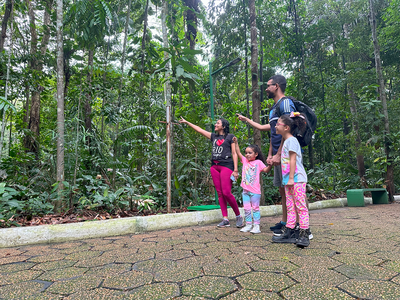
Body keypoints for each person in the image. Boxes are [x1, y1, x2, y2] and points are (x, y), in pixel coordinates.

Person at [237, 75, 295, 235]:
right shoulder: (273, 109)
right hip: (277, 155)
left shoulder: (285, 103)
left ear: (276, 86)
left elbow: (289, 128)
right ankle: (285, 222)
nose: (266, 89)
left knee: (293, 189)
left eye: (268, 86)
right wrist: (270, 154)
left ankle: (299, 226)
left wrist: (279, 153)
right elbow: (272, 132)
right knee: (283, 190)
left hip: (286, 155)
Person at [179, 117, 244, 228]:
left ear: (223, 126)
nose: (215, 124)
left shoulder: (230, 137)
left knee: (226, 192)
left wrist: (236, 169)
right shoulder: (213, 136)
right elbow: (199, 130)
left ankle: (238, 216)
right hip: (214, 167)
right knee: (219, 193)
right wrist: (187, 122)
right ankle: (225, 219)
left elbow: (234, 153)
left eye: (218, 123)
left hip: (226, 166)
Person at [271, 112, 310, 247]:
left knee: (300, 206)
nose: (275, 126)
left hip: (297, 180)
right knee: (290, 206)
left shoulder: (292, 141)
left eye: (278, 124)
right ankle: (290, 231)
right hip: (289, 180)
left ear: (286, 127)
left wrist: (292, 178)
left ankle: (304, 234)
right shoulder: (287, 141)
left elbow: (293, 159)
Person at [233, 137, 271, 234]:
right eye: (246, 153)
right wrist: (236, 142)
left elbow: (266, 170)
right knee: (246, 208)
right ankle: (248, 224)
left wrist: (270, 165)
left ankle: (256, 226)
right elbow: (238, 153)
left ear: (256, 154)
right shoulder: (245, 161)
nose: (247, 155)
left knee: (255, 208)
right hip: (245, 191)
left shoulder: (258, 163)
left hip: (255, 191)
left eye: (250, 153)